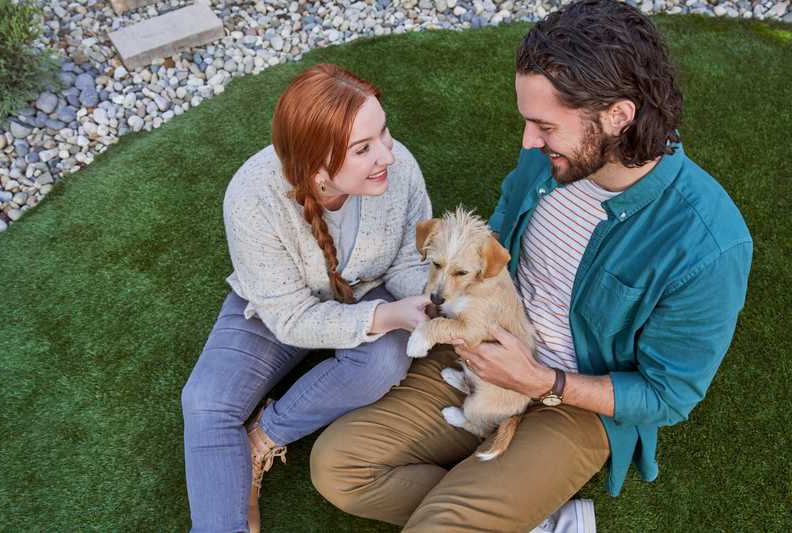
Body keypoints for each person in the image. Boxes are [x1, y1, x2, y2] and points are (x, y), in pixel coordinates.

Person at [309, 1, 753, 531]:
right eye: (527, 121)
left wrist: (545, 380)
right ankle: (526, 515)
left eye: (544, 125)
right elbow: (494, 243)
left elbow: (666, 395)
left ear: (618, 116)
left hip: (575, 403)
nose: (528, 142)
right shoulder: (552, 160)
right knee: (338, 467)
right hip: (483, 346)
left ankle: (487, 505)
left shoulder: (708, 244)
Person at [181, 63, 433, 533]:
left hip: (366, 285)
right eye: (364, 148)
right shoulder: (252, 197)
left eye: (384, 133)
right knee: (206, 400)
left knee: (382, 363)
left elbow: (405, 263)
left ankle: (262, 439)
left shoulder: (400, 173)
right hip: (282, 303)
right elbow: (290, 317)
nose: (389, 156)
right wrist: (382, 316)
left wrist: (429, 306)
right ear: (317, 164)